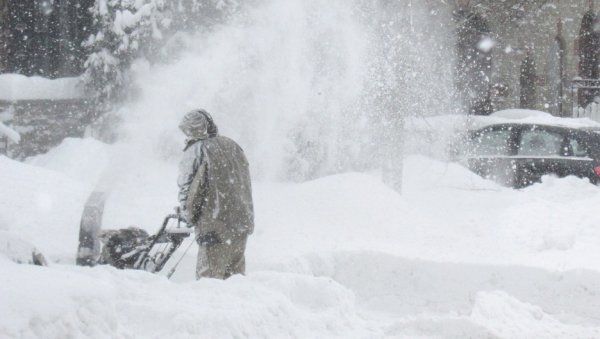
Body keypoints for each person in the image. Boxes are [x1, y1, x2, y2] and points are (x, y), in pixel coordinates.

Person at [177, 109, 254, 279]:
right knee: (235, 279)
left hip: (214, 225)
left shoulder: (196, 150)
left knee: (209, 281)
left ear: (193, 129)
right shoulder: (233, 145)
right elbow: (244, 183)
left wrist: (187, 214)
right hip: (241, 223)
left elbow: (188, 189)